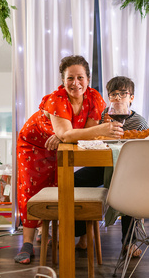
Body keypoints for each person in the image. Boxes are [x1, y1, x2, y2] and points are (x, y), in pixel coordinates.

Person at [15, 55, 124, 264]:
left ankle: (46, 232)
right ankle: (27, 243)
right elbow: (84, 132)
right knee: (31, 188)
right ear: (63, 81)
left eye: (80, 77)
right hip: (33, 145)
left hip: (60, 145)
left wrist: (65, 134)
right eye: (70, 78)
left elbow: (84, 132)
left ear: (88, 79)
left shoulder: (93, 97)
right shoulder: (56, 99)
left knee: (58, 184)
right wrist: (67, 134)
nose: (76, 83)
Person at [74, 76, 149, 258]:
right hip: (104, 165)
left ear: (131, 97)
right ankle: (83, 232)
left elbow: (144, 151)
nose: (118, 98)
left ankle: (129, 241)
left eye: (123, 94)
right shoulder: (104, 116)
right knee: (75, 180)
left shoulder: (139, 122)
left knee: (130, 189)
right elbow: (97, 141)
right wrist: (104, 128)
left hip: (128, 170)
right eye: (114, 94)